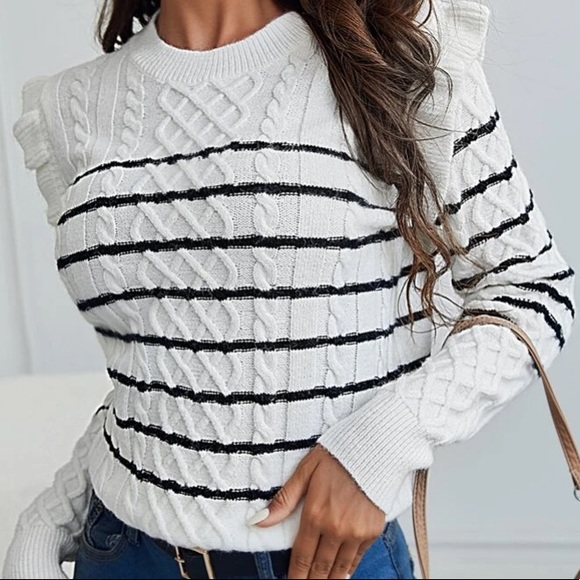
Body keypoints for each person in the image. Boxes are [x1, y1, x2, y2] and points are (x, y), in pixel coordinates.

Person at [3, 0, 575, 579]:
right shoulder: (71, 107)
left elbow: (532, 288)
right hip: (120, 552)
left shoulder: (395, 49)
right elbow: (159, 376)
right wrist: (49, 521)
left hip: (320, 562)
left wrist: (383, 442)